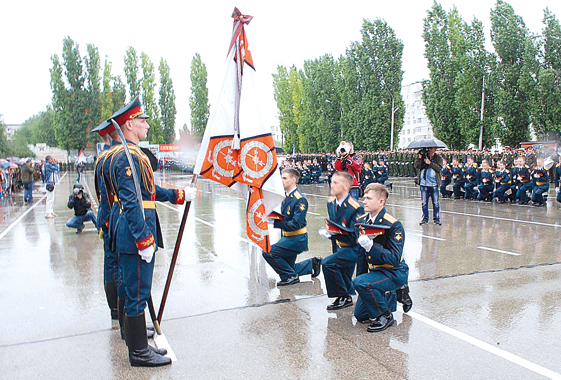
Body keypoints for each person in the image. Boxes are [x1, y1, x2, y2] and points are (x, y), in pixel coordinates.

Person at [106, 97, 195, 367]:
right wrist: (144, 238)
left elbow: (149, 190)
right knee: (137, 291)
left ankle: (137, 343)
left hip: (132, 228)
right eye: (142, 120)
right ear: (130, 123)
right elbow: (132, 200)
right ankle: (139, 353)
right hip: (135, 232)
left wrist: (179, 195)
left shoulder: (131, 153)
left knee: (133, 289)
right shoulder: (127, 156)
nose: (146, 124)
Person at [354, 183, 411, 332]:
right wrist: (360, 281)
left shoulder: (393, 225)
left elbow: (394, 258)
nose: (364, 201)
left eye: (368, 198)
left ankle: (385, 316)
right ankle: (396, 292)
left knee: (363, 284)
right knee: (360, 315)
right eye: (364, 197)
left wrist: (371, 247)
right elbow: (361, 256)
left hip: (393, 271)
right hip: (376, 272)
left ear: (381, 202)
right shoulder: (362, 221)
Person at [262, 168, 322, 286]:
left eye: (284, 178)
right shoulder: (287, 196)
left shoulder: (300, 199)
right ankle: (312, 263)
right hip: (287, 237)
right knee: (289, 267)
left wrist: (275, 223)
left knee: (268, 252)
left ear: (293, 180)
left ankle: (291, 277)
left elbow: (296, 224)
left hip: (297, 238)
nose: (281, 180)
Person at [318, 171, 364, 310]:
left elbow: (355, 236)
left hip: (352, 248)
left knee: (328, 264)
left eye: (336, 183)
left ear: (346, 186)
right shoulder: (331, 202)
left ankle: (343, 297)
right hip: (338, 245)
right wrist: (330, 233)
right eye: (332, 182)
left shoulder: (355, 207)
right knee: (342, 273)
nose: (331, 185)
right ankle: (346, 295)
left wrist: (334, 234)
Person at [92, 120, 121, 321]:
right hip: (113, 217)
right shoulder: (113, 157)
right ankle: (119, 312)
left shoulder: (103, 156)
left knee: (111, 265)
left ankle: (116, 312)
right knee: (116, 266)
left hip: (107, 217)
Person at [414, 147, 443, 225]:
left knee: (436, 202)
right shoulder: (423, 157)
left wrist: (429, 163)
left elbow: (439, 169)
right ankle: (425, 218)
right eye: (428, 148)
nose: (429, 150)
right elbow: (416, 166)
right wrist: (420, 158)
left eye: (431, 148)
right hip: (424, 184)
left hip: (434, 184)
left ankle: (436, 219)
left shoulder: (438, 158)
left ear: (435, 149)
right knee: (424, 202)